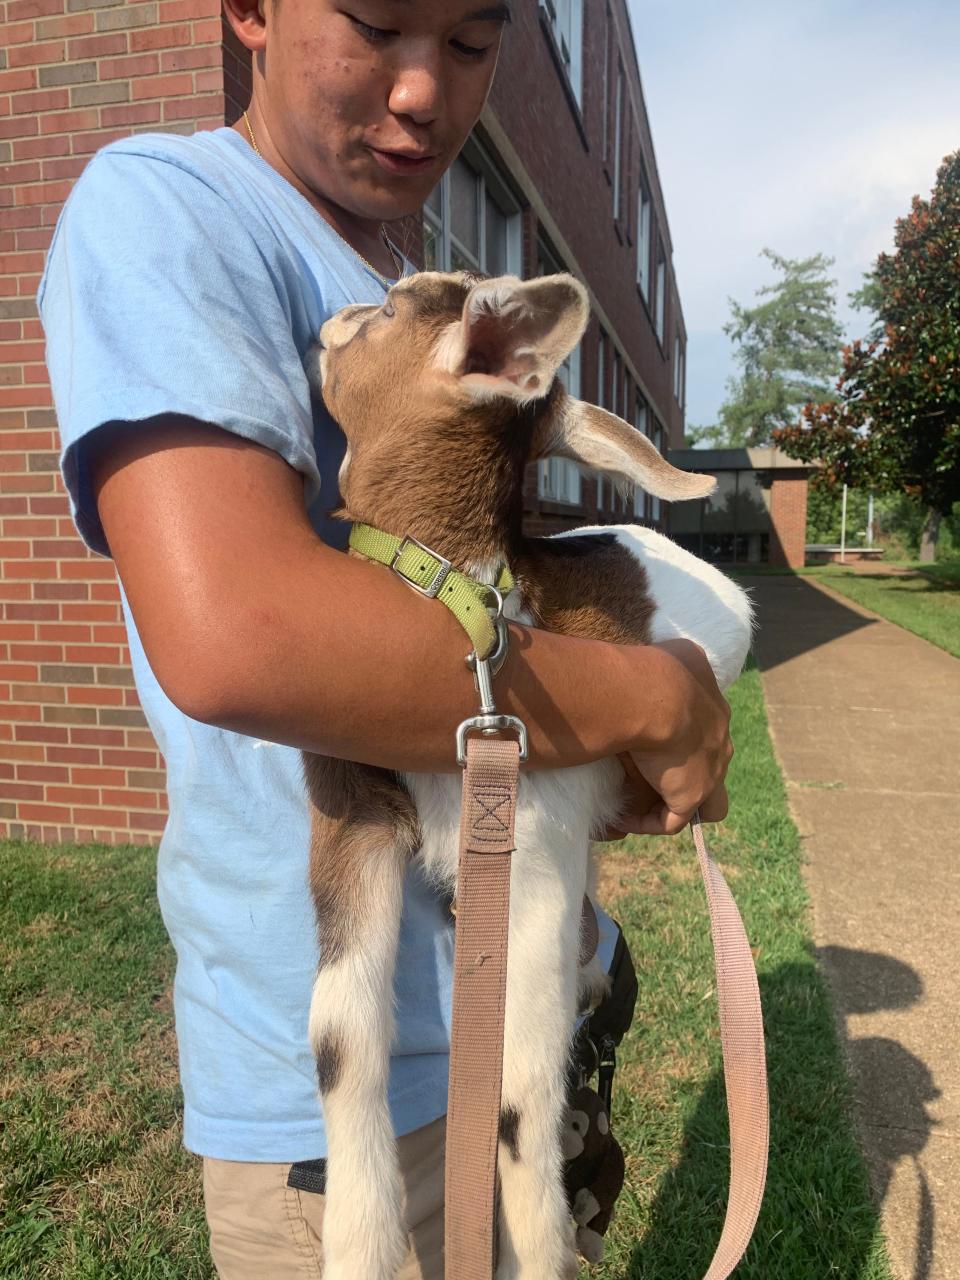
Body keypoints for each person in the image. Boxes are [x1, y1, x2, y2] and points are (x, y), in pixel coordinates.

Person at [36, 2, 733, 1276]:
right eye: (376, 22)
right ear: (249, 10)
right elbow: (244, 637)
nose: (424, 91)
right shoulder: (175, 211)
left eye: (472, 44)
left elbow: (510, 595)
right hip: (356, 1097)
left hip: (540, 1010)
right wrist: (649, 698)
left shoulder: (405, 298)